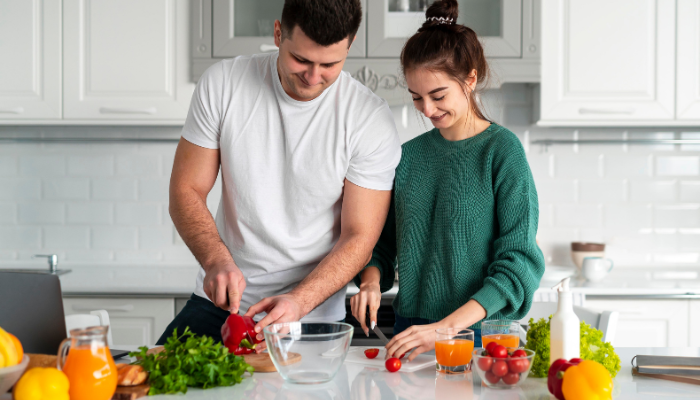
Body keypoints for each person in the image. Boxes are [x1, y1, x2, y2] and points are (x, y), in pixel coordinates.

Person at [157, 0, 401, 346]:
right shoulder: (224, 84)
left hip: (312, 315)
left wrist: (299, 301)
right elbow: (186, 189)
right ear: (277, 34)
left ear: (351, 44)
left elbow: (359, 237)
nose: (314, 77)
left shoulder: (368, 119)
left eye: (330, 64)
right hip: (221, 306)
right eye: (301, 59)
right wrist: (215, 261)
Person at [350, 0, 545, 361]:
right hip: (412, 331)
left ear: (469, 79)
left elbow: (519, 263)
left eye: (438, 96)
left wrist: (446, 329)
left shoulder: (501, 152)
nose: (427, 110)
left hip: (482, 340)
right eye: (416, 98)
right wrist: (371, 281)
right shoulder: (407, 156)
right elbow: (380, 243)